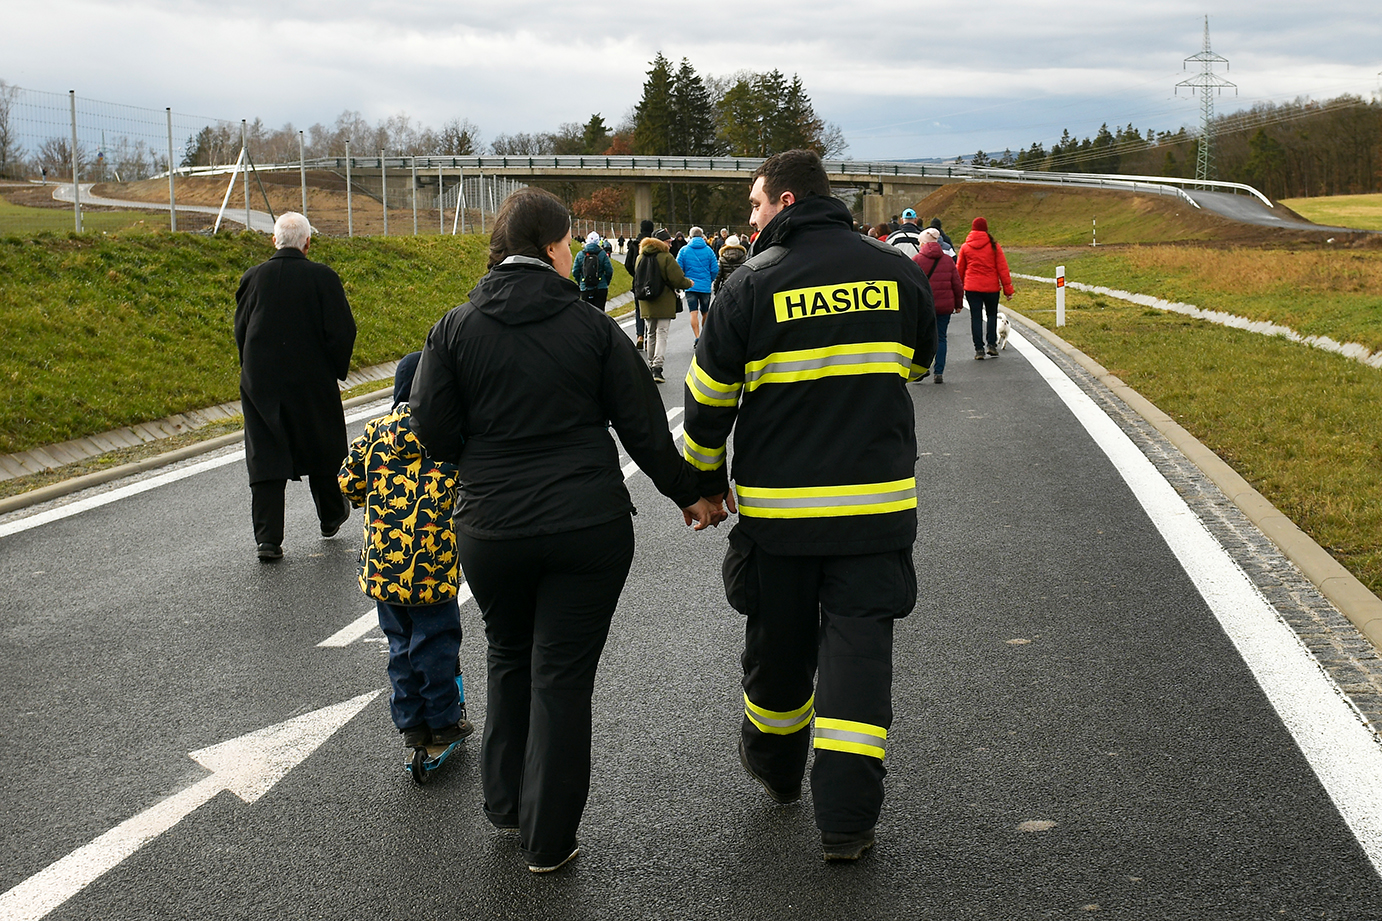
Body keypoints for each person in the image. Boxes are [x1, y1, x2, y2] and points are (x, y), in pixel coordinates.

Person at [407, 187, 724, 874]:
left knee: (508, 652)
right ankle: (549, 841)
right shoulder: (590, 327)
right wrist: (691, 493)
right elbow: (643, 424)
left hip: (491, 527)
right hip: (586, 525)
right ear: (554, 246)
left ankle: (504, 802)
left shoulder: (455, 326)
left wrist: (483, 460)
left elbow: (430, 427)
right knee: (562, 676)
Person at [682, 149, 936, 862]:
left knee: (779, 651)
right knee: (860, 657)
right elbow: (914, 364)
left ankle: (777, 769)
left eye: (756, 206)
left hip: (782, 521)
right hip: (874, 515)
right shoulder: (898, 274)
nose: (751, 220)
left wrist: (704, 484)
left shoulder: (750, 286)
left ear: (786, 202)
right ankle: (847, 821)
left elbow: (705, 405)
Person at [338, 352, 473, 751]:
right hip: (431, 564)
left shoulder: (375, 432)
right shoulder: (450, 435)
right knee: (437, 642)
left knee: (399, 644)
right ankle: (445, 721)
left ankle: (411, 723)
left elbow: (348, 484)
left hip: (384, 566)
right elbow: (472, 485)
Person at [234, 211, 356, 562]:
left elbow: (242, 328)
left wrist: (251, 368)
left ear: (274, 241)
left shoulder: (253, 278)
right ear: (307, 243)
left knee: (266, 454)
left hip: (263, 383)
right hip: (312, 378)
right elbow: (342, 330)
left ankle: (268, 539)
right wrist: (332, 368)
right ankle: (331, 515)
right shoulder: (323, 278)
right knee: (322, 445)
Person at [635, 228, 693, 384]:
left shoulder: (640, 257)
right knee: (662, 333)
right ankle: (657, 367)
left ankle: (650, 363)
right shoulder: (666, 257)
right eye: (668, 241)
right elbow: (677, 279)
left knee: (650, 333)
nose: (671, 244)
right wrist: (688, 283)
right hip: (664, 300)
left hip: (646, 300)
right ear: (662, 242)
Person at [955, 216, 1014, 360]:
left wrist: (957, 291)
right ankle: (992, 345)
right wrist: (1008, 290)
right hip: (991, 288)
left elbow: (959, 270)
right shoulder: (994, 246)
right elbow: (1003, 269)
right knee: (992, 315)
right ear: (986, 229)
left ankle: (979, 349)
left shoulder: (965, 247)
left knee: (975, 317)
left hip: (972, 287)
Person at [913, 227, 964, 384]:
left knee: (921, 338)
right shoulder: (947, 261)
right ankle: (939, 372)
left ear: (923, 243)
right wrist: (958, 304)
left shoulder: (916, 260)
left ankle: (921, 368)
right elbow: (957, 284)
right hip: (944, 306)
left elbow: (912, 285)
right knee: (941, 338)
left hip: (924, 307)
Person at [676, 226, 719, 345]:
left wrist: (684, 280)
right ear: (702, 236)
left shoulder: (684, 250)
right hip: (705, 286)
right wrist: (710, 279)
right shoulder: (709, 250)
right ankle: (704, 335)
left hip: (690, 286)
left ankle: (697, 336)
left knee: (693, 312)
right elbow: (715, 268)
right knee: (705, 312)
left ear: (690, 236)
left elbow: (678, 268)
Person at [624, 219, 655, 348]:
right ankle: (649, 338)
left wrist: (636, 275)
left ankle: (639, 335)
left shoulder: (634, 244)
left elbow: (627, 264)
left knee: (638, 310)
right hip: (652, 282)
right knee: (651, 310)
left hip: (637, 282)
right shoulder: (654, 244)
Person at [572, 231, 614, 311]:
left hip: (585, 288)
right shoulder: (602, 254)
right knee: (600, 313)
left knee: (587, 314)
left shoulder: (580, 254)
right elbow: (609, 270)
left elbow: (575, 271)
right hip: (600, 287)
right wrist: (605, 282)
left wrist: (581, 282)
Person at [709, 233, 747, 304]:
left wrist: (716, 290)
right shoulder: (744, 257)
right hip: (741, 286)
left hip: (726, 286)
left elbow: (718, 276)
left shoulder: (723, 258)